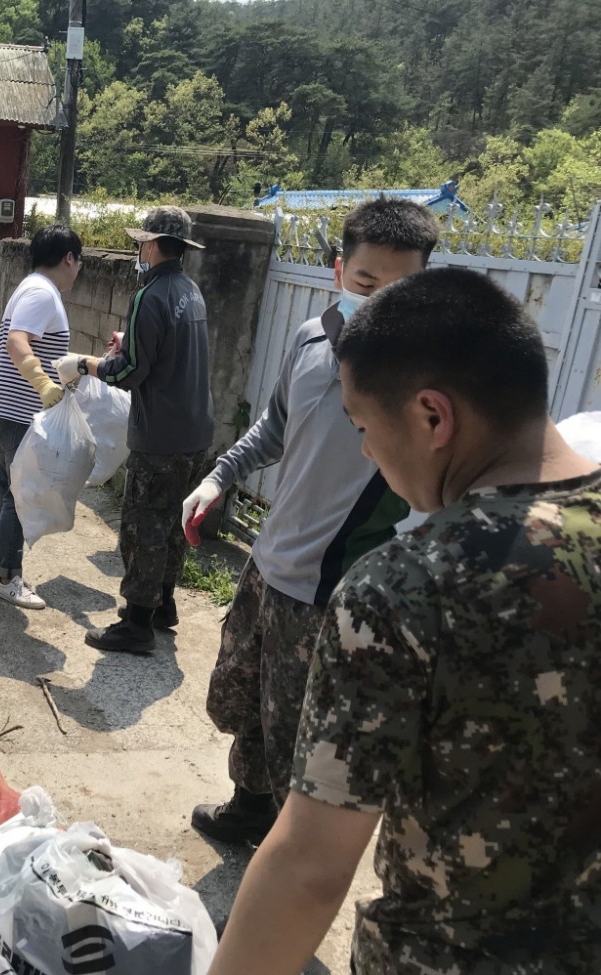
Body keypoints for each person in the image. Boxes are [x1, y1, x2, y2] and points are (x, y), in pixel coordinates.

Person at [209, 267, 601, 975]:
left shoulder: (408, 588)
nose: (365, 450)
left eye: (364, 426)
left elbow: (310, 865)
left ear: (431, 417)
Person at [181, 197, 441, 845]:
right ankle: (248, 804)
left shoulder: (425, 388)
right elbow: (274, 426)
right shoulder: (308, 338)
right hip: (266, 566)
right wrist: (219, 476)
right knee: (244, 699)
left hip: (327, 594)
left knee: (304, 729)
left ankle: (284, 850)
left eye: (402, 292)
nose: (380, 305)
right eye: (367, 285)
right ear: (338, 273)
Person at [56, 206, 213, 654]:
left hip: (160, 434)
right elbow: (169, 351)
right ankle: (163, 605)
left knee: (142, 527)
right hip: (195, 430)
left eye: (142, 242)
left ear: (150, 244)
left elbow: (130, 374)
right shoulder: (190, 291)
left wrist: (85, 365)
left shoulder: (150, 294)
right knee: (170, 526)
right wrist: (134, 344)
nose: (139, 249)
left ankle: (137, 624)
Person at [0, 224, 83, 610]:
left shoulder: (31, 286)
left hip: (0, 406)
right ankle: (8, 576)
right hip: (16, 412)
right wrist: (42, 383)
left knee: (5, 484)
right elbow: (17, 341)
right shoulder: (42, 293)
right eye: (78, 262)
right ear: (69, 258)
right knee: (20, 496)